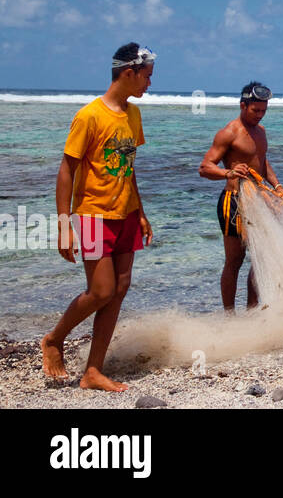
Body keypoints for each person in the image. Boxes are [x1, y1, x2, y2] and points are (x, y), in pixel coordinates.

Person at [40, 43, 156, 391]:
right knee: (101, 290)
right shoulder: (89, 116)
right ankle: (54, 339)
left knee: (119, 289)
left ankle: (93, 371)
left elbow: (128, 167)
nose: (149, 84)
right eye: (146, 77)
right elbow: (66, 170)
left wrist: (142, 212)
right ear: (128, 73)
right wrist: (64, 225)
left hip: (127, 214)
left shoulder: (133, 115)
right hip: (92, 215)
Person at [199, 81, 283, 312]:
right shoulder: (229, 133)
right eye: (255, 110)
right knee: (235, 261)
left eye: (263, 111)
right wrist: (227, 172)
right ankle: (229, 315)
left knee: (262, 258)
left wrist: (277, 186)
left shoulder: (261, 132)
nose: (260, 115)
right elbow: (205, 167)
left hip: (259, 201)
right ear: (242, 105)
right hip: (233, 202)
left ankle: (252, 309)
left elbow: (262, 161)